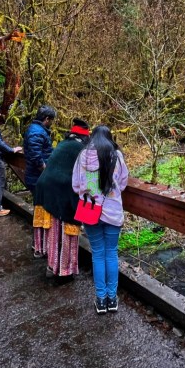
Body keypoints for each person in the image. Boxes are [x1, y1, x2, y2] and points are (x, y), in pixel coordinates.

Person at [72, 125, 129, 314]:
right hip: (112, 211)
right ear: (109, 137)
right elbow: (122, 183)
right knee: (111, 253)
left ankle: (101, 300)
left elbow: (76, 185)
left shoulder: (83, 156)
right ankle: (112, 299)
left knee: (98, 254)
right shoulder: (117, 155)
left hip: (90, 212)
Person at [33, 118, 91, 282]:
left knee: (52, 232)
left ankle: (51, 266)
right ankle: (64, 272)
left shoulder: (61, 144)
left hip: (44, 189)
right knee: (65, 234)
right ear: (85, 138)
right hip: (63, 194)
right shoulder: (82, 150)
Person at [23, 105, 56, 196]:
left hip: (36, 175)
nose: (52, 123)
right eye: (52, 120)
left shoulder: (37, 129)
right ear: (47, 119)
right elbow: (35, 156)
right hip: (37, 176)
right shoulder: (37, 132)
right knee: (41, 204)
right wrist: (45, 171)